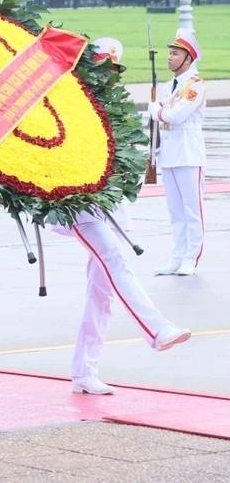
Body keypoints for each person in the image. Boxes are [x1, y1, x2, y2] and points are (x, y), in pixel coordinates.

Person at [56, 39, 192, 395]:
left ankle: (84, 371)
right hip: (78, 208)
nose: (109, 77)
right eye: (103, 70)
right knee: (116, 261)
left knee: (102, 293)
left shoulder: (113, 110)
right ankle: (157, 329)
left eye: (113, 71)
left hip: (112, 208)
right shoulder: (68, 105)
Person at [148, 29, 207, 276]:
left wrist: (155, 111)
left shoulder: (196, 86)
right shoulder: (167, 87)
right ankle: (177, 256)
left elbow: (175, 115)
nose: (169, 57)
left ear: (188, 59)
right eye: (170, 53)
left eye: (175, 53)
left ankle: (191, 258)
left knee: (193, 210)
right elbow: (160, 121)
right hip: (170, 154)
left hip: (189, 153)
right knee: (175, 211)